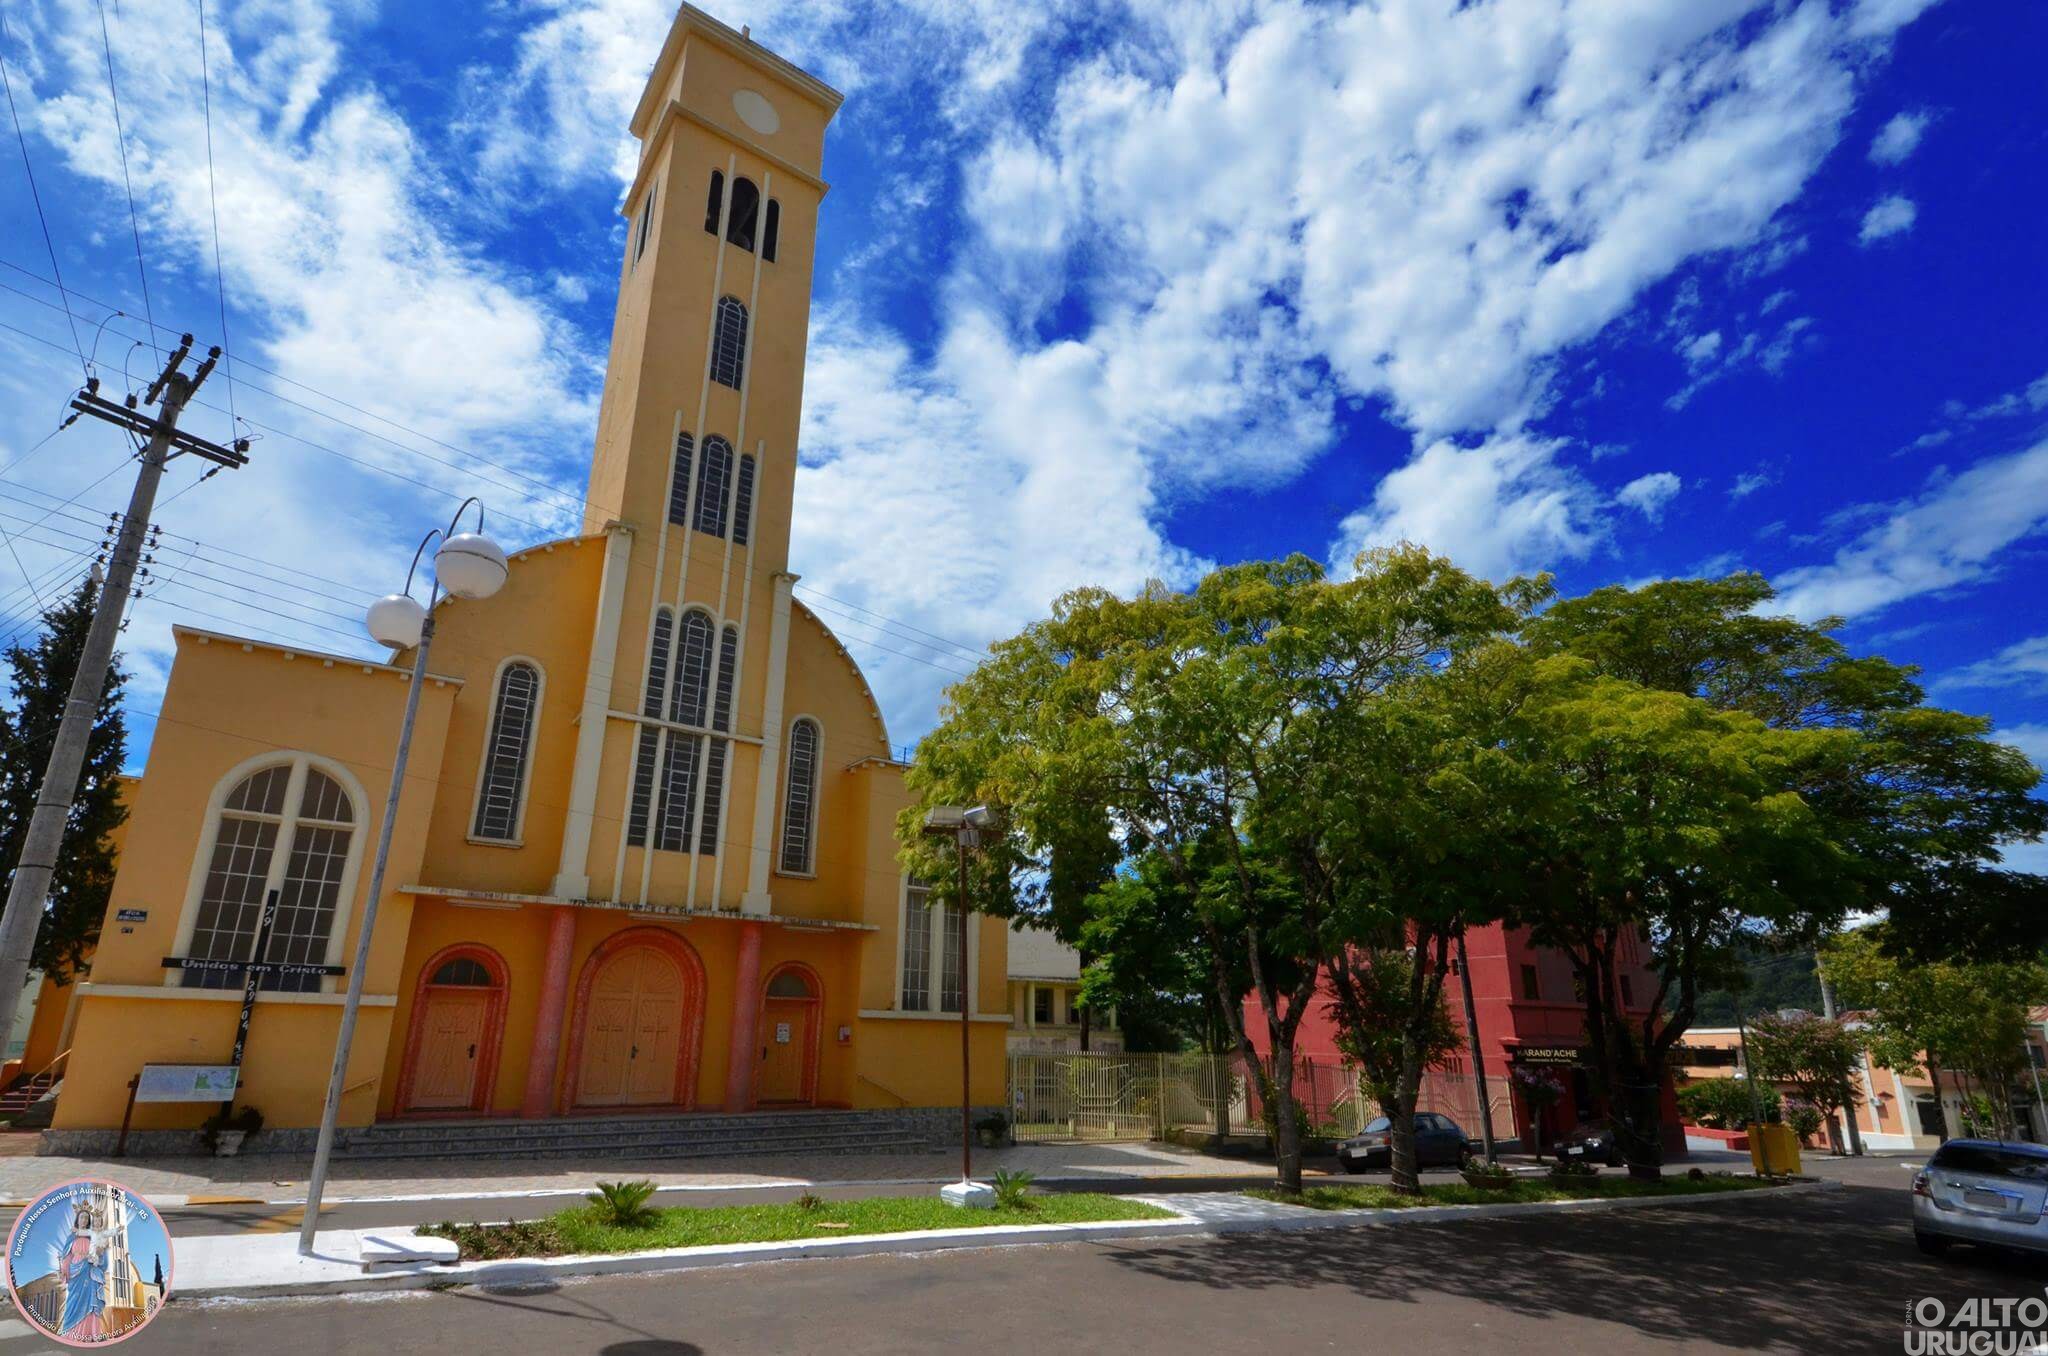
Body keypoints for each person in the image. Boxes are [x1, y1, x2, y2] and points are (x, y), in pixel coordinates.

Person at [58, 1200, 109, 1342]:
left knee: (91, 1302)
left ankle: (91, 1333)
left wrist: (100, 1253)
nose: (84, 1220)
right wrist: (64, 1271)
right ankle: (71, 1332)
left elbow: (102, 1261)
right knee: (73, 1301)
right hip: (76, 1273)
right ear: (77, 1219)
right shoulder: (71, 1238)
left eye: (87, 1218)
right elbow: (66, 1257)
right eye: (82, 1217)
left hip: (90, 1272)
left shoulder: (93, 1236)